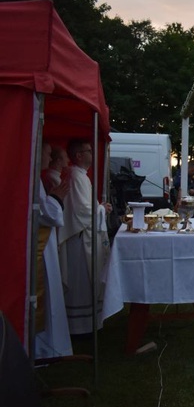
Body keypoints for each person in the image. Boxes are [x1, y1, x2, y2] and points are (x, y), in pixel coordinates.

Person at [58, 139, 111, 335]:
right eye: (89, 150)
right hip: (80, 239)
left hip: (84, 236)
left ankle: (89, 323)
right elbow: (83, 211)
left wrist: (100, 209)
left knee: (87, 282)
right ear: (79, 155)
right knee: (81, 283)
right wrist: (101, 209)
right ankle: (79, 327)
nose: (92, 153)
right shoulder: (75, 176)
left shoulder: (81, 175)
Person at [35, 142, 72, 358]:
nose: (49, 159)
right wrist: (56, 197)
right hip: (40, 243)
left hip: (45, 241)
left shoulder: (38, 177)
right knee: (44, 294)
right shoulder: (36, 178)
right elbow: (47, 213)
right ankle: (42, 349)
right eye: (48, 154)